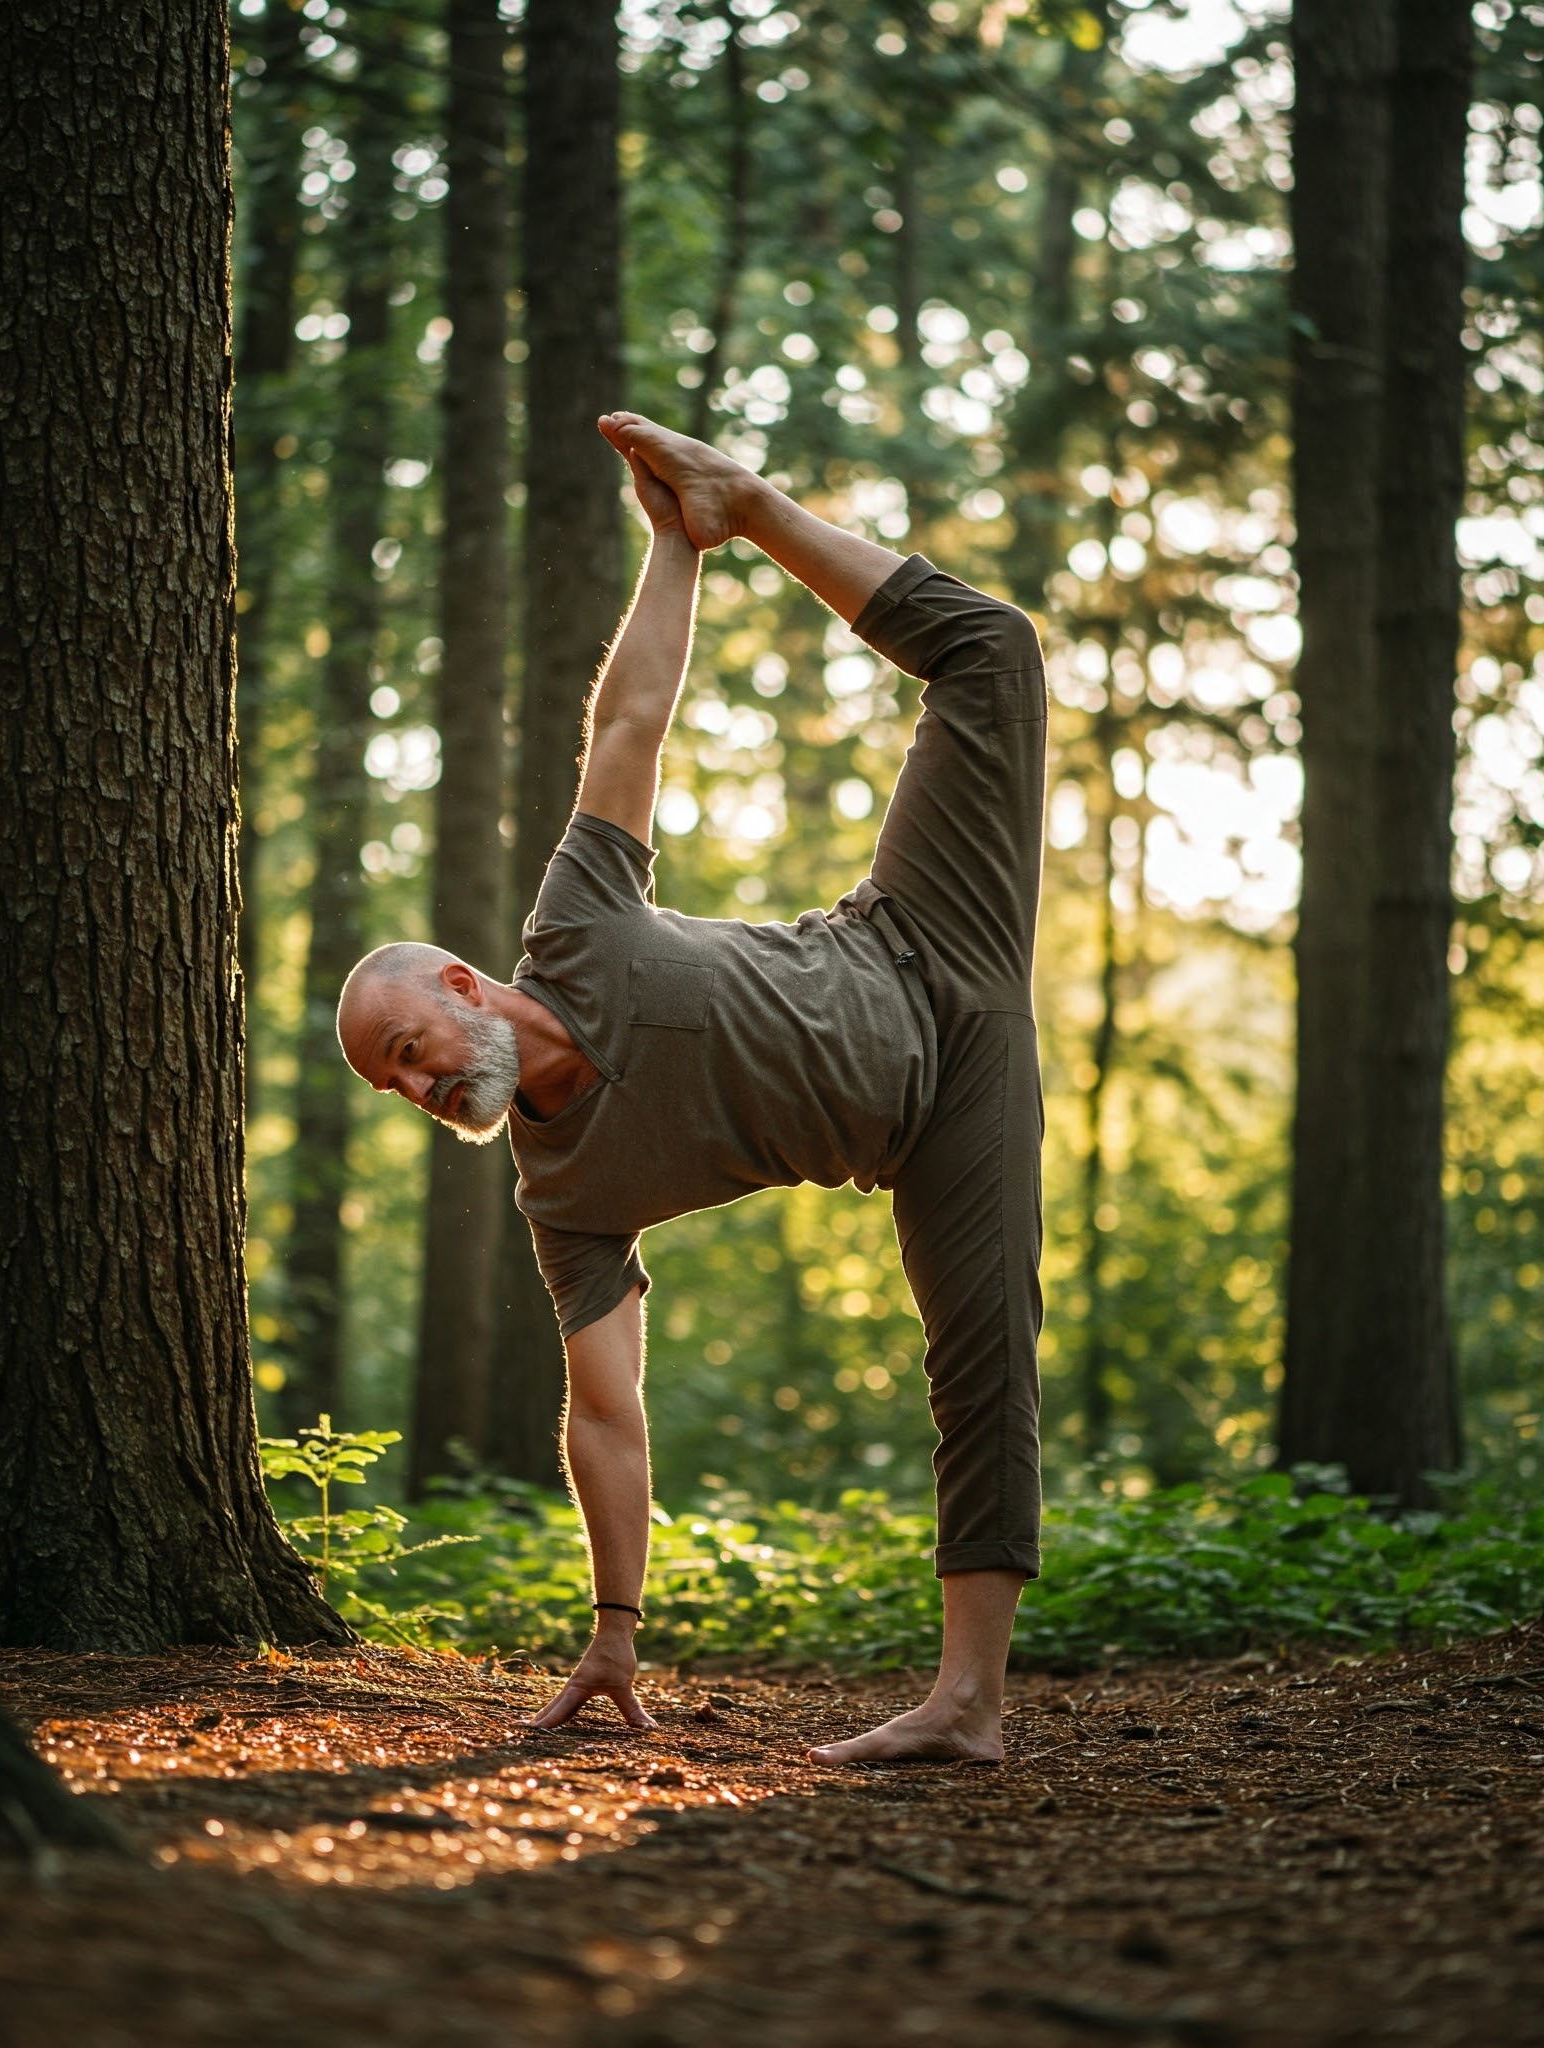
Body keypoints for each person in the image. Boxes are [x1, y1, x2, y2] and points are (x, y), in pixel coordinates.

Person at [337, 415, 1047, 1763]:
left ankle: (756, 498)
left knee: (993, 652)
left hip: (924, 927)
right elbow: (605, 1407)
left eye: (408, 1047)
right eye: (393, 1084)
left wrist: (686, 542)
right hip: (940, 1118)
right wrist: (612, 1626)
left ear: (464, 986)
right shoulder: (563, 1193)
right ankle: (970, 1707)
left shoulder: (577, 925)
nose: (412, 1086)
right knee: (981, 1355)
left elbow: (632, 721)